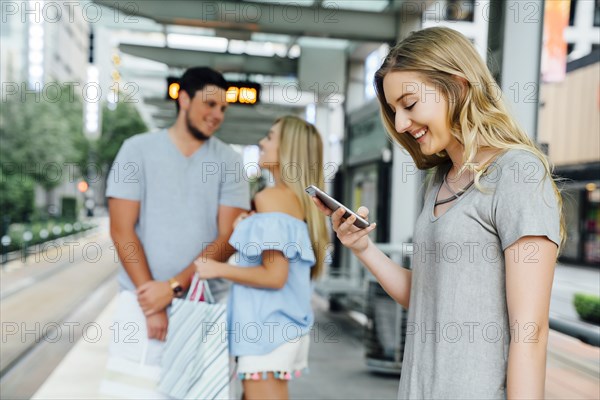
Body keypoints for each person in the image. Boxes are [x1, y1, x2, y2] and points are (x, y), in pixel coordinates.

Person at [312, 27, 565, 399]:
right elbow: (430, 297)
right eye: (394, 110)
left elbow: (530, 331)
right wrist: (362, 248)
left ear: (457, 86)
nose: (399, 124)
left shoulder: (518, 173)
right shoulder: (440, 179)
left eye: (409, 104)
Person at [105, 67, 250, 376]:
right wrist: (152, 298)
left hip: (205, 304)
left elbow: (229, 238)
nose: (217, 114)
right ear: (184, 99)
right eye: (210, 104)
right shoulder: (136, 150)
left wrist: (171, 288)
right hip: (139, 305)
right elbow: (121, 229)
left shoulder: (230, 161)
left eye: (223, 108)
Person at [195, 115, 329, 400]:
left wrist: (216, 269)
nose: (261, 143)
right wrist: (245, 229)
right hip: (279, 329)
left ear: (288, 150)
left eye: (269, 138)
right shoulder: (296, 202)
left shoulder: (272, 198)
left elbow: (274, 276)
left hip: (265, 331)